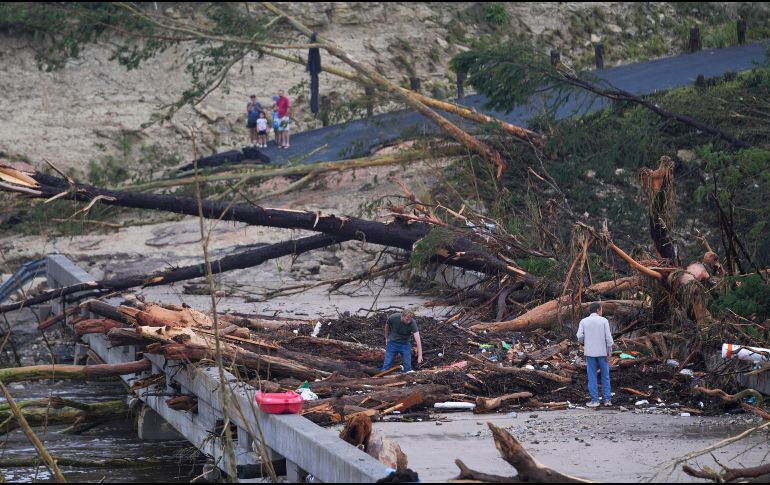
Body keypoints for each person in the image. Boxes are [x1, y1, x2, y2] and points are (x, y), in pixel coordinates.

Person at [577, 302, 614, 408]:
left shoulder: (584, 321)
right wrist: (609, 351)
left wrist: (585, 342)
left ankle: (595, 401)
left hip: (590, 352)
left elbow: (579, 336)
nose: (602, 312)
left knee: (592, 377)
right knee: (605, 376)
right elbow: (608, 338)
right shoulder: (604, 321)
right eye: (601, 309)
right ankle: (607, 400)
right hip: (602, 352)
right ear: (598, 310)